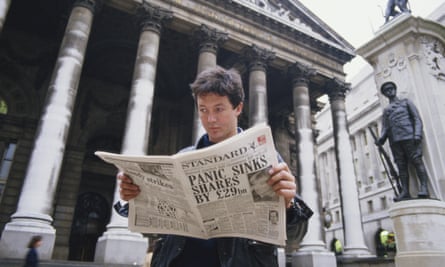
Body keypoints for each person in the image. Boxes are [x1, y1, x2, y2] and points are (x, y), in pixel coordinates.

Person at [117, 66, 303, 267]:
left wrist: (288, 204)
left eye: (219, 109)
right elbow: (151, 225)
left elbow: (295, 234)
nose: (210, 119)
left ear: (238, 108)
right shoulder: (182, 158)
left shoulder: (267, 158)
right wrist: (134, 197)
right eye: (203, 110)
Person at [375, 81, 430, 201]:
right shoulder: (387, 110)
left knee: (417, 162)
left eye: (391, 89)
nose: (390, 91)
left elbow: (416, 118)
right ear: (385, 94)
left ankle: (424, 187)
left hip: (409, 137)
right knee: (401, 166)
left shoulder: (406, 103)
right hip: (395, 141)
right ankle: (405, 191)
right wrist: (381, 139)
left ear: (395, 89)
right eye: (386, 90)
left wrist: (417, 134)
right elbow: (385, 127)